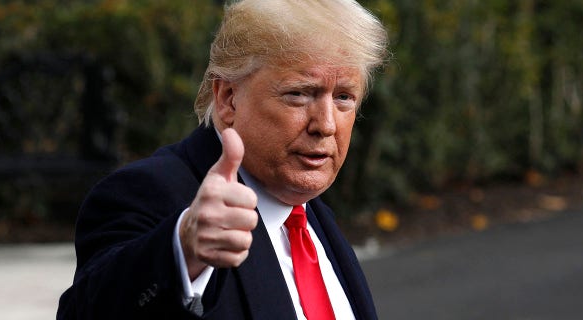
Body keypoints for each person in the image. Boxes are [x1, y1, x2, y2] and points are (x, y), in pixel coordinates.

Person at [57, 0, 388, 319]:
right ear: (229, 98)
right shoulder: (149, 193)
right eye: (299, 94)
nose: (326, 125)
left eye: (343, 97)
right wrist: (180, 252)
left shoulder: (309, 212)